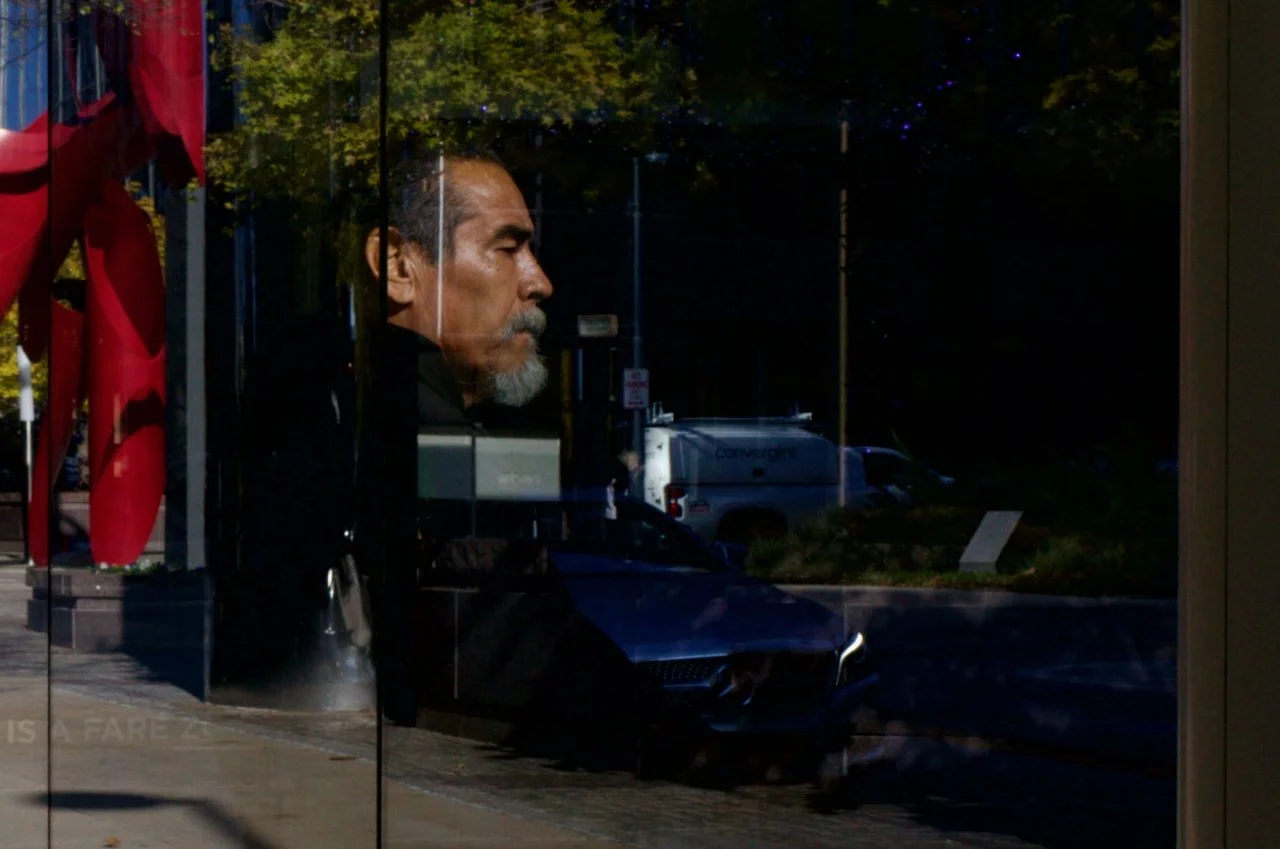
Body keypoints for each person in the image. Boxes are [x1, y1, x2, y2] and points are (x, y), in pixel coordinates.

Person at [356, 146, 555, 725]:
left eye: (531, 251)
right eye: (507, 248)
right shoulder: (389, 425)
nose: (538, 282)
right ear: (398, 266)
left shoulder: (453, 418)